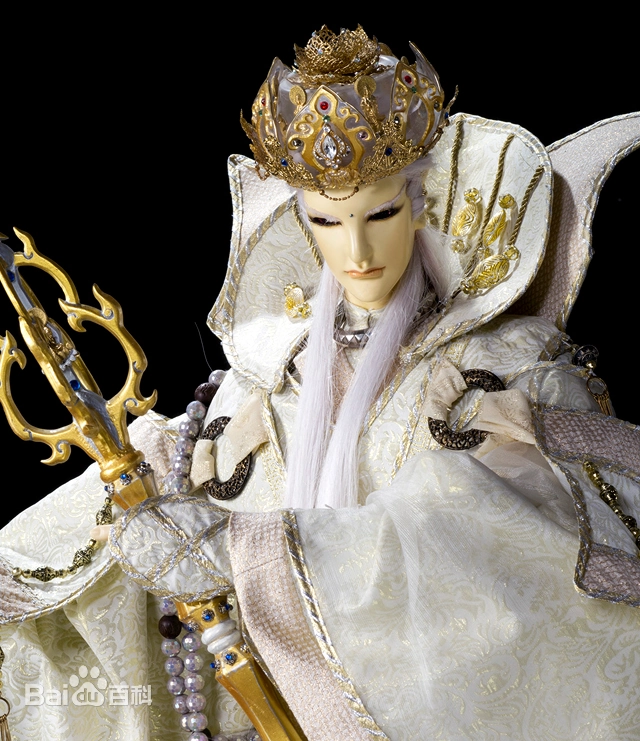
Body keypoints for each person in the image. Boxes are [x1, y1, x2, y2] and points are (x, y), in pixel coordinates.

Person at [1, 25, 640, 741]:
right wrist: (142, 503)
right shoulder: (271, 371)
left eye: (381, 213)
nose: (357, 250)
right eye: (327, 221)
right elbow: (195, 472)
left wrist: (252, 552)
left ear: (422, 204)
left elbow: (506, 533)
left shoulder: (501, 367)